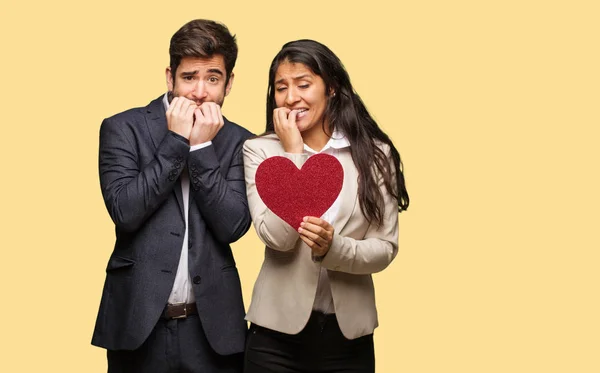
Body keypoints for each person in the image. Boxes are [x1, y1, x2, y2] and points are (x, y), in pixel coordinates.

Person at [91, 19, 253, 373]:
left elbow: (233, 226)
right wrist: (176, 141)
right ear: (170, 77)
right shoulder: (122, 128)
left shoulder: (243, 142)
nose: (199, 91)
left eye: (213, 78)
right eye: (189, 77)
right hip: (138, 324)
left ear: (229, 83)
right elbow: (126, 211)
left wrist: (203, 147)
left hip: (212, 329)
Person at [242, 39, 409, 373]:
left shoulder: (375, 156)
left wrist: (335, 247)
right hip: (275, 336)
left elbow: (385, 248)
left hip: (348, 338)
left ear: (331, 87)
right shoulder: (259, 151)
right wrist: (293, 155)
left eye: (303, 84)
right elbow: (277, 239)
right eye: (280, 88)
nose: (291, 98)